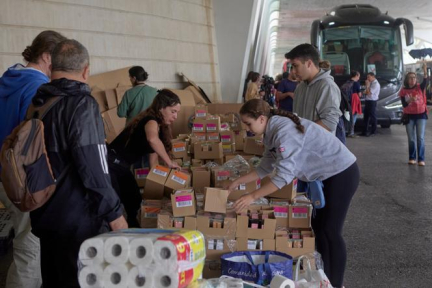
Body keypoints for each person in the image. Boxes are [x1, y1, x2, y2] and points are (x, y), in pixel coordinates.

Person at [228, 99, 359, 288]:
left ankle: (336, 284)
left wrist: (252, 196)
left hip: (342, 173)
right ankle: (326, 280)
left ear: (262, 118)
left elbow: (283, 176)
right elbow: (265, 166)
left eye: (248, 123)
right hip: (327, 175)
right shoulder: (271, 131)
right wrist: (237, 182)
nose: (247, 128)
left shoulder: (284, 131)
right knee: (320, 230)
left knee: (331, 231)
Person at [29, 39, 127, 288]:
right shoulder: (81, 104)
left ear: (52, 67)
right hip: (77, 221)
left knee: (53, 279)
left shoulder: (38, 103)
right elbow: (93, 167)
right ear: (85, 70)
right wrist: (114, 213)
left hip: (44, 213)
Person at [0, 30, 66, 288]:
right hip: (23, 179)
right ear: (47, 56)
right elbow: (38, 142)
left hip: (5, 174)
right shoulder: (38, 88)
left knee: (25, 242)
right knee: (31, 248)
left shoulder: (8, 79)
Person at [108, 89, 181, 219]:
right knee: (117, 203)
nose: (175, 116)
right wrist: (169, 163)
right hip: (111, 163)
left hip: (120, 165)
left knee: (134, 200)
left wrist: (162, 185)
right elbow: (152, 139)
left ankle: (132, 228)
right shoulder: (151, 121)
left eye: (177, 112)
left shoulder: (157, 127)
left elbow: (153, 163)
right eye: (173, 111)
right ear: (161, 108)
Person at [285, 43, 342, 134]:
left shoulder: (327, 86)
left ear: (309, 63)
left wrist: (300, 131)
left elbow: (330, 122)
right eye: (292, 67)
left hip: (319, 147)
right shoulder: (300, 87)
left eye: (296, 66)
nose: (293, 71)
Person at [399, 63, 428, 166]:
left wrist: (425, 72)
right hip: (409, 116)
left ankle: (421, 159)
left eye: (414, 77)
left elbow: (425, 81)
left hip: (421, 115)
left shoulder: (420, 88)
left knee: (420, 137)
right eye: (410, 78)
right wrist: (410, 100)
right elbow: (404, 104)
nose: (413, 79)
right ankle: (412, 157)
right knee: (411, 138)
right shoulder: (403, 91)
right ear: (407, 80)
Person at [360, 72, 380, 137]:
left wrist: (367, 86)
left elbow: (368, 93)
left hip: (372, 101)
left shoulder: (375, 84)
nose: (367, 78)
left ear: (373, 76)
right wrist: (367, 87)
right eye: (367, 77)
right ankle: (364, 131)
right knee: (366, 117)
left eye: (369, 77)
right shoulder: (371, 83)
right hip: (368, 101)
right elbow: (365, 92)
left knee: (373, 116)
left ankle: (373, 131)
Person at [345, 70, 362, 137]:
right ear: (356, 75)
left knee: (348, 115)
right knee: (353, 116)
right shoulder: (356, 83)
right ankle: (351, 132)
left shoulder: (347, 82)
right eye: (359, 76)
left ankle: (347, 130)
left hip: (347, 100)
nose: (359, 78)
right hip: (354, 100)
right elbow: (359, 94)